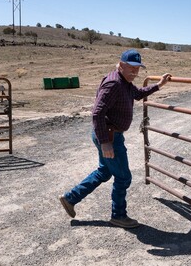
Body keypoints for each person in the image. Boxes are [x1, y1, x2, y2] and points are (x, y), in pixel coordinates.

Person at [59, 49, 172, 228]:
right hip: (109, 136)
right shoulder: (113, 83)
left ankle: (71, 198)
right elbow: (97, 113)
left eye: (137, 68)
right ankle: (118, 215)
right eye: (131, 67)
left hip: (110, 134)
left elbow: (137, 94)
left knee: (104, 172)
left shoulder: (125, 82)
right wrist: (105, 143)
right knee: (124, 177)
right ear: (120, 65)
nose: (135, 72)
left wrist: (159, 85)